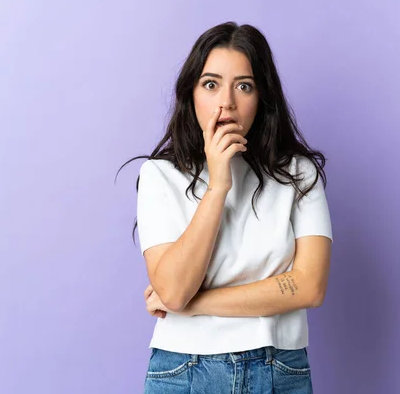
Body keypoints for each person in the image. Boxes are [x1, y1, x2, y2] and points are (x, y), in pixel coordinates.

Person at [118, 21, 333, 394]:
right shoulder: (160, 175)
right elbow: (172, 289)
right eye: (211, 84)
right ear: (192, 93)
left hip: (278, 367)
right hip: (184, 368)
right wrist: (218, 185)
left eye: (244, 86)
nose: (227, 102)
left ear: (262, 98)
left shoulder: (299, 173)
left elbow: (310, 286)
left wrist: (195, 304)